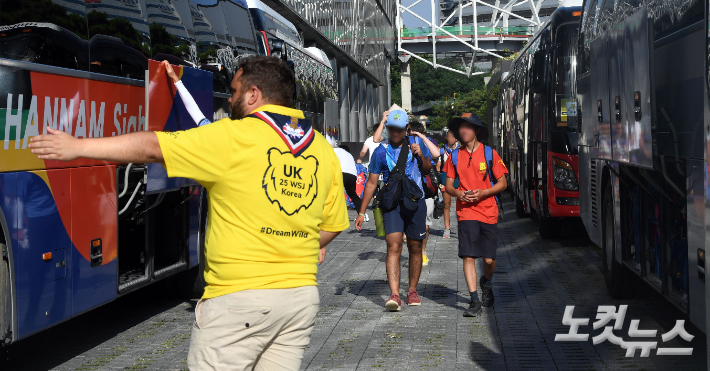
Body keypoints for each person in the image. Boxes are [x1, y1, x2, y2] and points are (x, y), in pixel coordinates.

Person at [29, 56, 350, 371]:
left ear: (254, 94)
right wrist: (299, 244)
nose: (231, 98)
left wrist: (76, 147)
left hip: (240, 303)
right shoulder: (322, 148)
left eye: (236, 91)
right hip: (300, 300)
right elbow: (333, 224)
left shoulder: (233, 136)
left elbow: (152, 147)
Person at [354, 110, 435, 311]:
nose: (395, 133)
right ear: (387, 128)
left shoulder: (416, 145)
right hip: (392, 204)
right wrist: (361, 212)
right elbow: (371, 183)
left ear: (406, 128)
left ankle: (413, 290)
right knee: (394, 245)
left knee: (415, 247)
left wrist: (420, 154)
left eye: (399, 129)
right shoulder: (380, 152)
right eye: (391, 129)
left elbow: (427, 169)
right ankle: (395, 295)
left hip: (416, 202)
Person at [442, 113, 507, 318]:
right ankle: (474, 300)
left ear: (477, 131)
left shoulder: (490, 154)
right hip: (466, 211)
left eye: (468, 127)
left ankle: (486, 282)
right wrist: (458, 193)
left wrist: (485, 192)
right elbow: (449, 185)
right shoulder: (454, 156)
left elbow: (503, 183)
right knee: (468, 255)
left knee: (488, 260)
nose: (464, 131)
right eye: (461, 127)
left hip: (488, 211)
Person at [408, 122, 440, 267]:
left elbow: (436, 154)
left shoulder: (425, 142)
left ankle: (422, 252)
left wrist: (420, 137)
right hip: (408, 190)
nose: (411, 136)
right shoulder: (403, 142)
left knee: (425, 224)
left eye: (414, 133)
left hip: (425, 190)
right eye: (410, 133)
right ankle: (414, 252)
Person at [163, 60, 211, 127]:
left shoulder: (211, 130)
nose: (229, 99)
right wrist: (174, 76)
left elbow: (193, 109)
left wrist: (174, 76)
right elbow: (193, 109)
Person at [333, 142, 368, 221]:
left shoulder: (336, 150)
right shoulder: (350, 155)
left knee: (334, 194)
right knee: (353, 195)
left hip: (342, 173)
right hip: (352, 175)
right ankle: (363, 214)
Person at [437, 129, 460, 239]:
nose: (450, 139)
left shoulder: (461, 150)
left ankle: (462, 227)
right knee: (447, 204)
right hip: (445, 178)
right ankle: (447, 228)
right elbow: (438, 166)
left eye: (452, 137)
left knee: (461, 205)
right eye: (448, 137)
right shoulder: (442, 151)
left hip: (458, 179)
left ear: (456, 139)